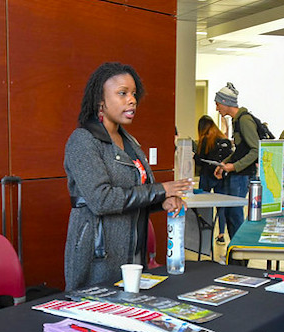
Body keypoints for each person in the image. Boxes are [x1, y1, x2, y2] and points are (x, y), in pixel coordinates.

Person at [63, 62, 192, 291]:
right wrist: (161, 190)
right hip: (98, 257)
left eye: (133, 93)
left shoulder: (130, 142)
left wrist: (162, 202)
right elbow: (102, 200)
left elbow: (138, 195)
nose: (132, 100)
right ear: (100, 101)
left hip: (133, 256)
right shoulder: (83, 141)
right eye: (122, 93)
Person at [213, 82, 258, 239]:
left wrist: (234, 167)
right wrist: (224, 164)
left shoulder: (244, 120)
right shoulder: (236, 120)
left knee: (235, 214)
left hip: (242, 175)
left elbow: (255, 150)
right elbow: (240, 150)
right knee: (232, 213)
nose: (217, 109)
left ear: (226, 103)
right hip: (238, 174)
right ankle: (235, 251)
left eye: (218, 104)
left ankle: (239, 253)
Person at [194, 115, 233, 243]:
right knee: (220, 206)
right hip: (220, 175)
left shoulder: (205, 140)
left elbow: (199, 161)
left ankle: (205, 236)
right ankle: (221, 234)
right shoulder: (224, 139)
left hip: (206, 175)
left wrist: (195, 157)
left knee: (204, 204)